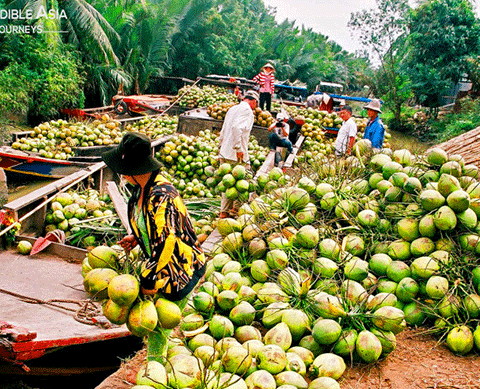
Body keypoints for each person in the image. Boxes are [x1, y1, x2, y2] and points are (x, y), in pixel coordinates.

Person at [102, 132, 206, 355]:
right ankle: (162, 356)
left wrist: (148, 279)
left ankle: (154, 372)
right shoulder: (141, 189)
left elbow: (166, 242)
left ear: (131, 168)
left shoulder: (163, 195)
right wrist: (136, 238)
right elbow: (151, 227)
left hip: (179, 268)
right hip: (159, 267)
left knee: (158, 329)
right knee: (158, 325)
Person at [218, 90, 259, 218]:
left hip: (225, 152)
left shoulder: (233, 109)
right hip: (236, 153)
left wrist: (220, 146)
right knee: (244, 182)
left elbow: (224, 129)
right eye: (256, 104)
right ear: (253, 101)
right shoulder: (247, 110)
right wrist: (238, 148)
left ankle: (224, 211)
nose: (255, 107)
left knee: (228, 184)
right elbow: (237, 128)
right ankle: (237, 210)